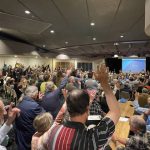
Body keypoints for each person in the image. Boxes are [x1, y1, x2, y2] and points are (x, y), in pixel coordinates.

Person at [44, 64, 120, 149]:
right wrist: (104, 83)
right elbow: (115, 111)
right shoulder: (92, 138)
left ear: (68, 109)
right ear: (87, 109)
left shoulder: (53, 131)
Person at [15, 86, 45, 150]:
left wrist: (38, 101)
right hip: (29, 134)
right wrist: (40, 102)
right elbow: (45, 116)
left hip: (19, 133)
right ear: (35, 95)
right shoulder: (35, 106)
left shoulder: (21, 100)